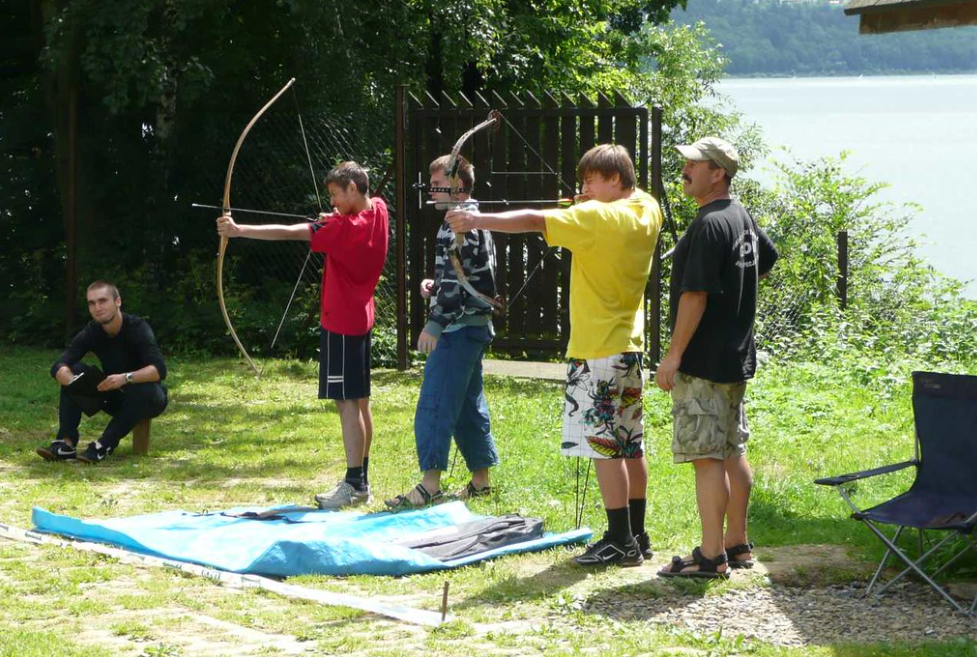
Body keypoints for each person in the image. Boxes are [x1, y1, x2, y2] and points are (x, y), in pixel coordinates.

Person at [446, 144, 662, 566]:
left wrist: (475, 219)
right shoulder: (645, 208)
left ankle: (618, 539)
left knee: (603, 448)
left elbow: (531, 219)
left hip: (596, 349)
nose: (583, 187)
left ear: (614, 180)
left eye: (590, 180)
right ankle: (638, 535)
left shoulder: (596, 217)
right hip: (628, 347)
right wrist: (586, 200)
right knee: (629, 446)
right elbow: (604, 205)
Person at [217, 161, 388, 509]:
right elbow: (352, 218)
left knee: (347, 403)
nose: (334, 202)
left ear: (353, 189)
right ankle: (361, 481)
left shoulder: (344, 230)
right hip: (361, 317)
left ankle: (354, 483)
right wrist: (338, 216)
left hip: (341, 322)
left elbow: (290, 231)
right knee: (360, 399)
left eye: (336, 195)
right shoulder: (379, 211)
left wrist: (239, 230)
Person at [656, 136, 778, 579]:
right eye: (686, 161)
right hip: (736, 356)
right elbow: (765, 259)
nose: (686, 168)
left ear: (718, 172)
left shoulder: (710, 224)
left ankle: (710, 556)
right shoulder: (741, 216)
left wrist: (673, 356)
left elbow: (696, 295)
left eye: (695, 162)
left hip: (704, 361)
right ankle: (737, 544)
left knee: (708, 457)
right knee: (731, 450)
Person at [385, 154, 500, 509]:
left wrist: (435, 322)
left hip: (458, 329)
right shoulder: (467, 218)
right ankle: (481, 482)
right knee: (466, 404)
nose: (430, 191)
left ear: (459, 188)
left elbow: (459, 278)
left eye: (438, 186)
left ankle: (429, 486)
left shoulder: (460, 223)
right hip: (472, 326)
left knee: (435, 404)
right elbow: (466, 274)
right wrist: (436, 286)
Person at [37, 281, 168, 464]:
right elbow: (60, 363)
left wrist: (125, 378)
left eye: (103, 301)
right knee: (75, 371)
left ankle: (103, 446)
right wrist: (69, 378)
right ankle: (65, 444)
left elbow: (159, 370)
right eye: (92, 303)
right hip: (113, 396)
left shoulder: (138, 328)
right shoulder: (93, 331)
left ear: (118, 302)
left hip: (148, 397)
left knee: (144, 390)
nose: (97, 307)